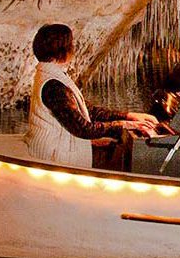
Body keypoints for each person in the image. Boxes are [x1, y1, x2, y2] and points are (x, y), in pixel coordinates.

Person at [24, 23, 158, 169]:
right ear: (62, 50)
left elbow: (88, 110)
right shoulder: (53, 85)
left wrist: (129, 116)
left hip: (54, 150)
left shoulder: (52, 75)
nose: (73, 47)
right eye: (71, 43)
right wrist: (125, 126)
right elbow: (83, 129)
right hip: (53, 157)